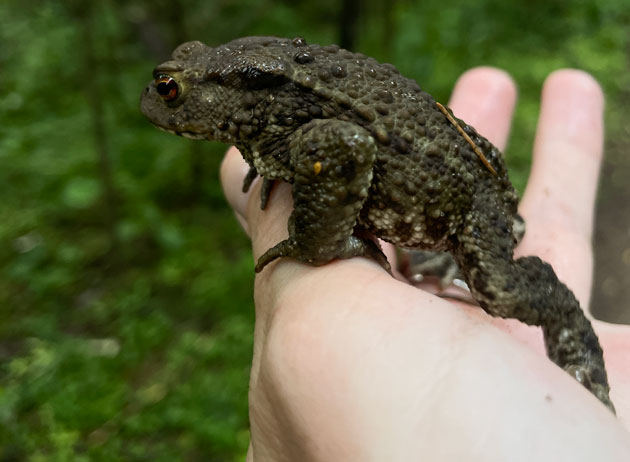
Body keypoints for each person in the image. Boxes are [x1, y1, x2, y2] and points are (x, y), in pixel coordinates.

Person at [220, 67, 630, 461]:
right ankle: (436, 262)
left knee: (499, 289)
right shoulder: (274, 101)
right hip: (422, 158)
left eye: (170, 90)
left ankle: (574, 338)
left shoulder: (275, 96)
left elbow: (347, 143)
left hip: (464, 198)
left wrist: (316, 238)